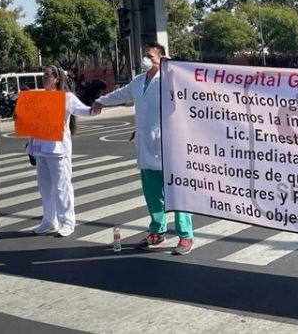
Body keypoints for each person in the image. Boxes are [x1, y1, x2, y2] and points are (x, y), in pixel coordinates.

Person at [92, 42, 194, 255]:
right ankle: (157, 232)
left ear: (162, 59)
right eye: (144, 55)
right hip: (146, 147)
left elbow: (191, 95)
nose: (146, 59)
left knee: (177, 193)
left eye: (151, 56)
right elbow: (120, 94)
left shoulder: (171, 80)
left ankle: (185, 235)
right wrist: (101, 100)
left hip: (169, 147)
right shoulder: (138, 82)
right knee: (153, 195)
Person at [25, 65, 93, 237]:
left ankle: (67, 222)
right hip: (41, 148)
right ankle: (49, 220)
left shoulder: (67, 97)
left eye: (48, 76)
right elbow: (32, 122)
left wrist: (95, 105)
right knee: (45, 187)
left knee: (62, 187)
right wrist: (31, 146)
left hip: (58, 149)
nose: (45, 78)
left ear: (56, 78)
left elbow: (84, 110)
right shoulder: (38, 96)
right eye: (44, 75)